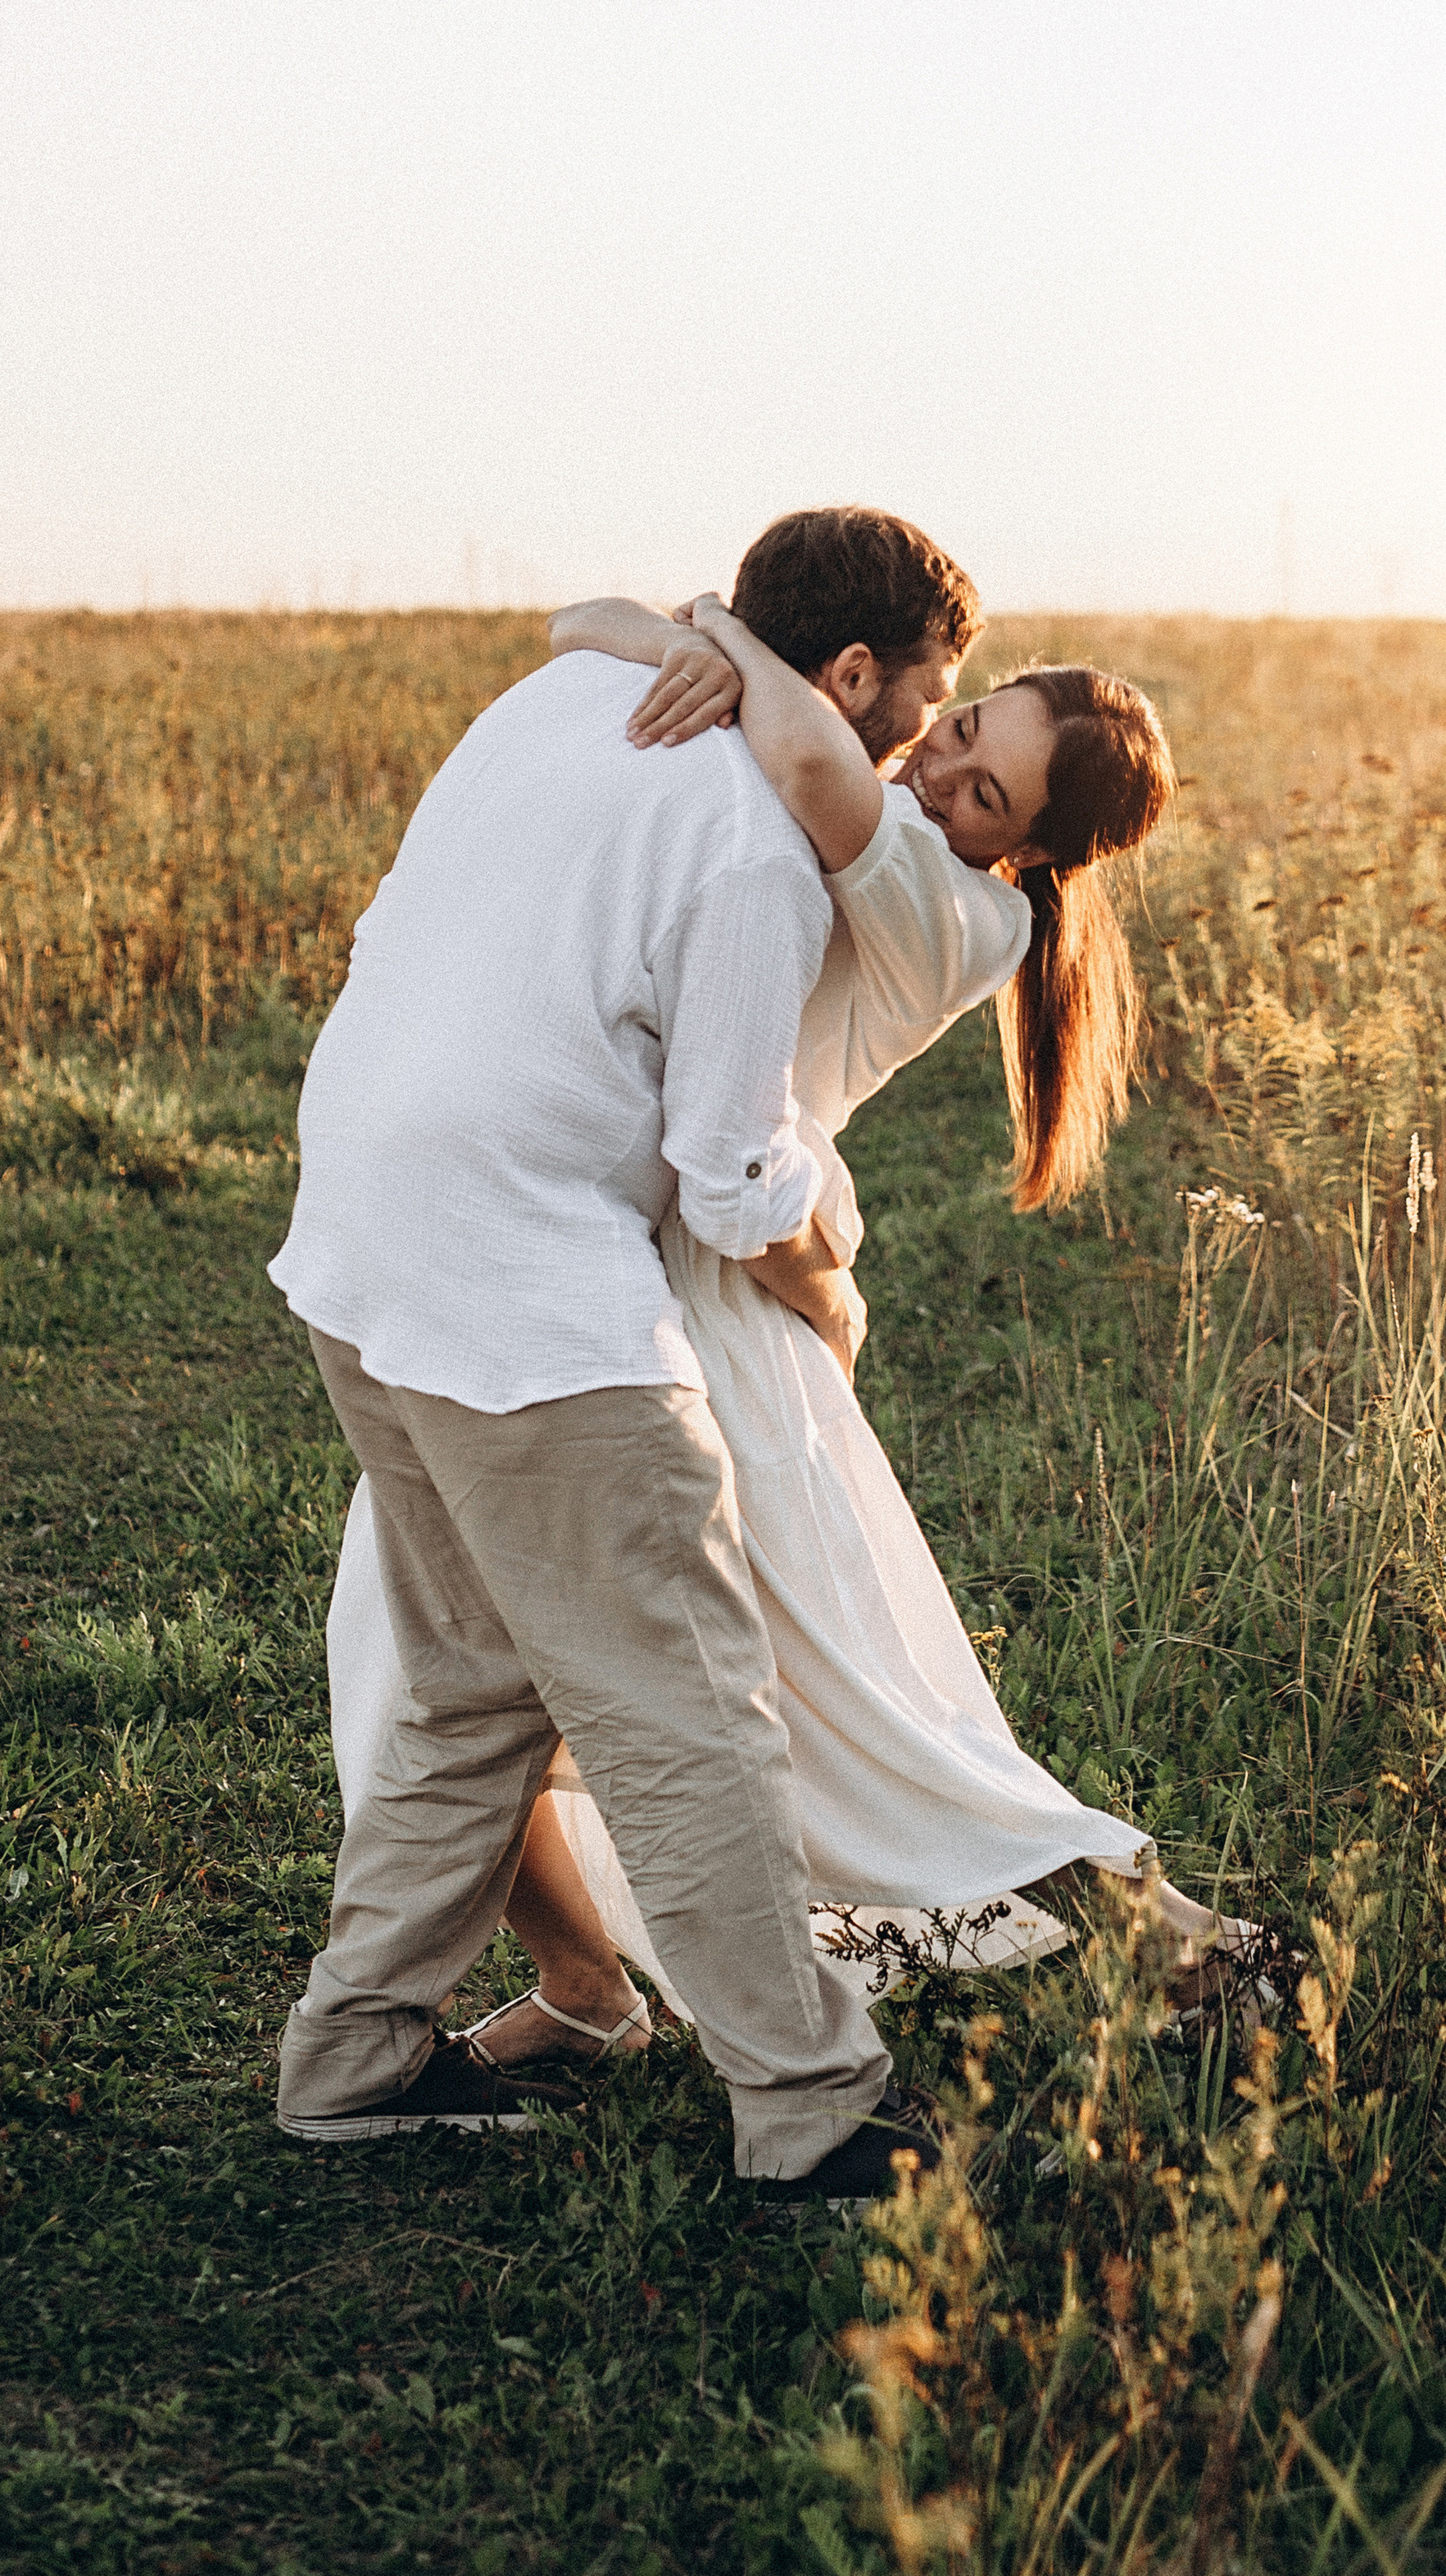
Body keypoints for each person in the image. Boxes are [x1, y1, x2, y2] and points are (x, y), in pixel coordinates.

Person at [326, 519, 1247, 2083]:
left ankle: (1185, 1945)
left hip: (716, 1301)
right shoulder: (798, 773)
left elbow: (819, 766)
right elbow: (583, 621)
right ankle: (585, 1986)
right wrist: (690, 632)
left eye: (986, 789)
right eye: (960, 725)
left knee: (851, 1733)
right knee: (411, 1670)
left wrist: (723, 642)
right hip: (584, 1268)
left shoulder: (956, 905)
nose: (940, 770)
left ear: (1029, 853)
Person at [268, 507, 982, 2205]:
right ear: (855, 673)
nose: (919, 736)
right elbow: (726, 1175)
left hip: (356, 1237)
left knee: (470, 1673)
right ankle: (810, 2108)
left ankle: (354, 2057)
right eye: (930, 696)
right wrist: (832, 1275)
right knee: (690, 1708)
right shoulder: (754, 851)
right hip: (522, 1292)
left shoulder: (556, 699)